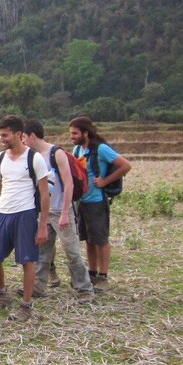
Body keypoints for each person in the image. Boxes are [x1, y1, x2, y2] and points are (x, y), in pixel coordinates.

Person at [22, 119, 95, 302]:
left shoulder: (56, 153)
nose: (22, 141)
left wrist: (64, 213)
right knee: (42, 251)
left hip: (61, 211)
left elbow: (69, 184)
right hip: (44, 212)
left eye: (23, 137)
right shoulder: (33, 155)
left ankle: (84, 289)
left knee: (71, 251)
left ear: (31, 136)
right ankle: (38, 287)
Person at [0, 116, 50, 321]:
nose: (1, 139)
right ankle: (1, 293)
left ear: (18, 134)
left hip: (25, 215)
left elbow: (44, 193)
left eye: (5, 135)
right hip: (3, 215)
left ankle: (26, 305)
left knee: (27, 261)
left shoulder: (35, 159)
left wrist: (42, 226)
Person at [69, 116, 132, 292]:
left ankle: (103, 276)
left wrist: (105, 181)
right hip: (82, 201)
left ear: (85, 133)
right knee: (88, 239)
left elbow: (125, 166)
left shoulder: (101, 149)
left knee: (101, 239)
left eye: (75, 133)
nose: (71, 137)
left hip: (97, 200)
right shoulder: (77, 150)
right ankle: (92, 272)